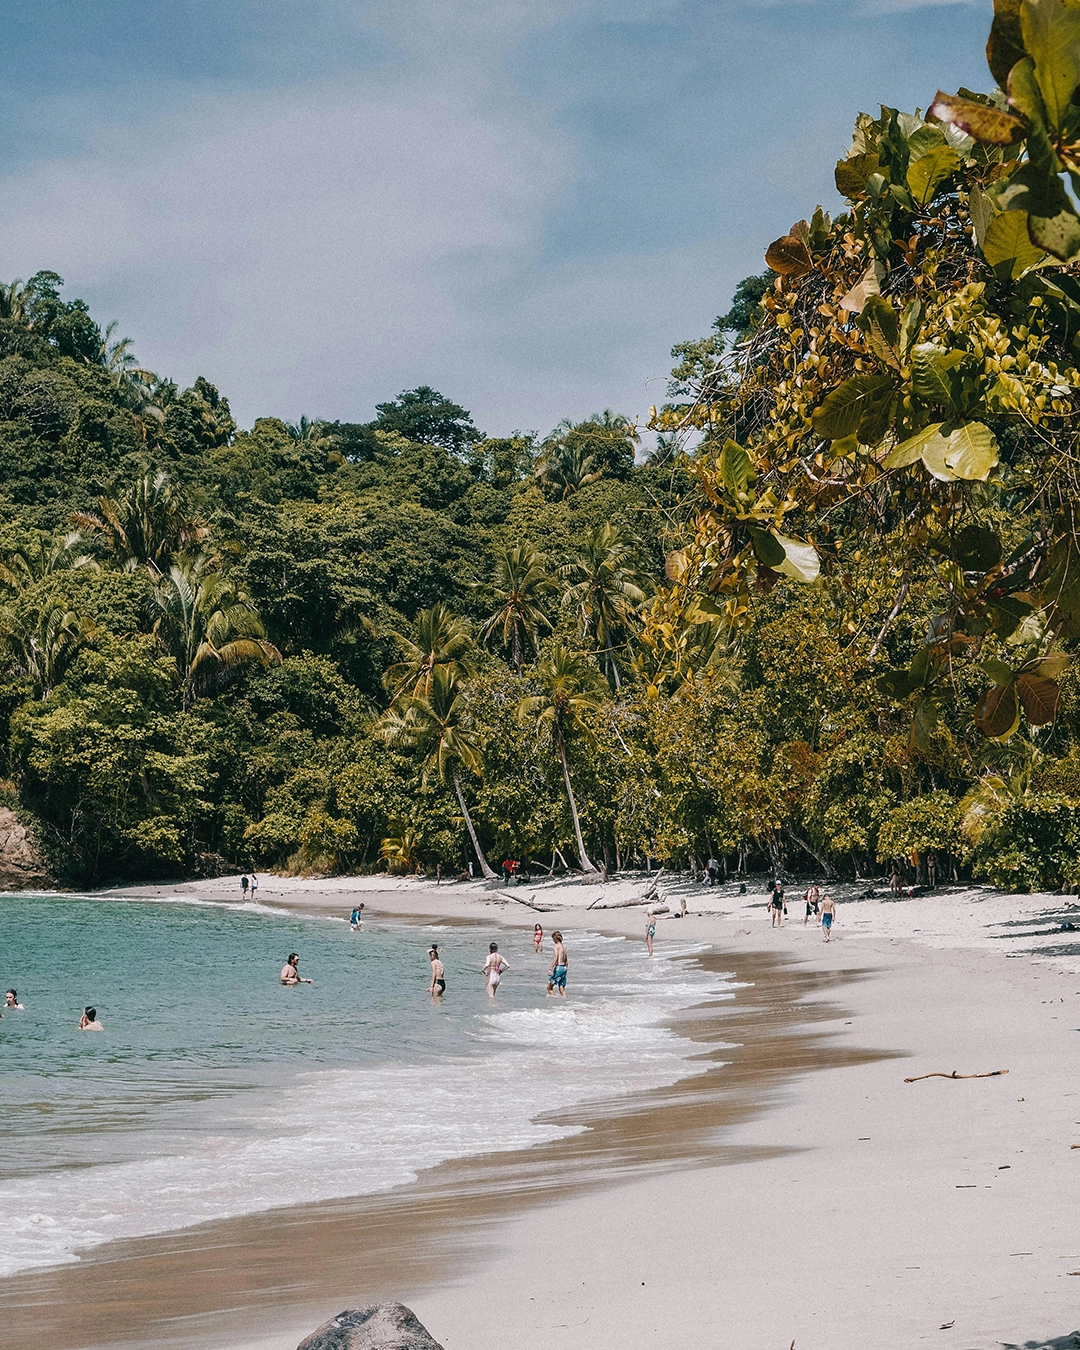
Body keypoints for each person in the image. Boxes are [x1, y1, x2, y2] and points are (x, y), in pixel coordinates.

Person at [547, 931, 568, 997]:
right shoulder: (564, 947)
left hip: (559, 968)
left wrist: (551, 968)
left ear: (555, 938)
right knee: (561, 988)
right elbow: (566, 961)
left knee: (549, 987)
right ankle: (565, 1002)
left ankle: (553, 1003)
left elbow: (556, 957)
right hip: (564, 968)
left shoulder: (556, 946)